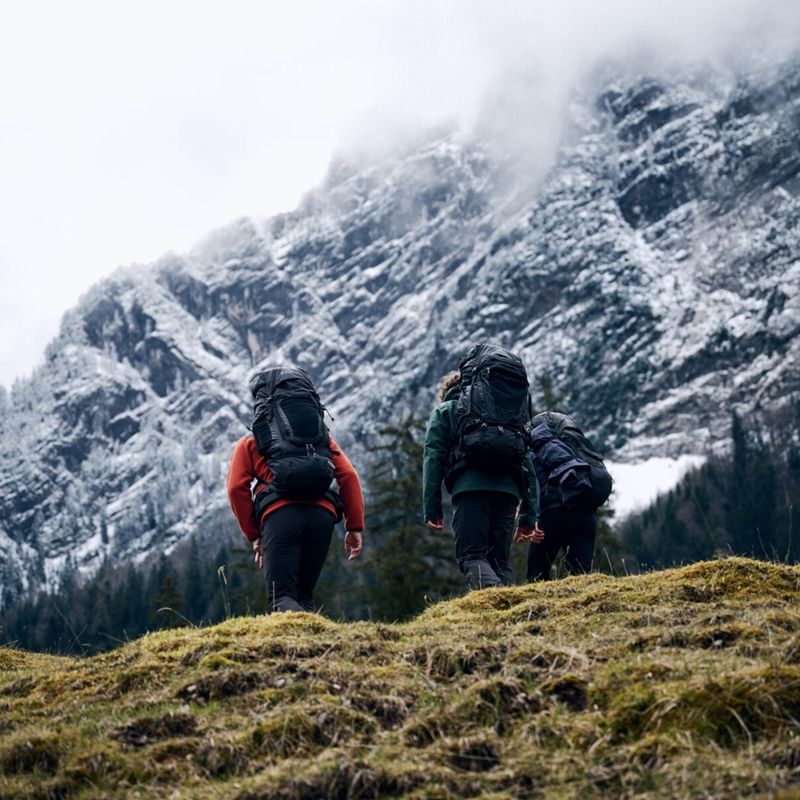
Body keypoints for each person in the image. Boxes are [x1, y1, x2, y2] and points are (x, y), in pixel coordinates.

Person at [227, 366, 364, 612]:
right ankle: (321, 649)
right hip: (322, 518)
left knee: (282, 598)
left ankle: (292, 650)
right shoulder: (322, 439)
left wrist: (255, 534)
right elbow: (349, 477)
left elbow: (236, 488)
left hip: (281, 518)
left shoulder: (251, 442)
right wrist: (353, 527)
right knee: (305, 598)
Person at [422, 345, 541, 590]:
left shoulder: (447, 411)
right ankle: (515, 614)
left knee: (471, 556)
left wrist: (432, 508)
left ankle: (496, 599)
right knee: (499, 562)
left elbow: (433, 457)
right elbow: (527, 461)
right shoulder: (509, 415)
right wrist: (529, 515)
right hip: (509, 492)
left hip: (471, 489)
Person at [526, 411, 612, 580]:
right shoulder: (579, 448)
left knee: (536, 574)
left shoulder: (541, 447)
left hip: (553, 513)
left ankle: (542, 607)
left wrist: (532, 519)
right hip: (586, 516)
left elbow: (533, 482)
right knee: (581, 576)